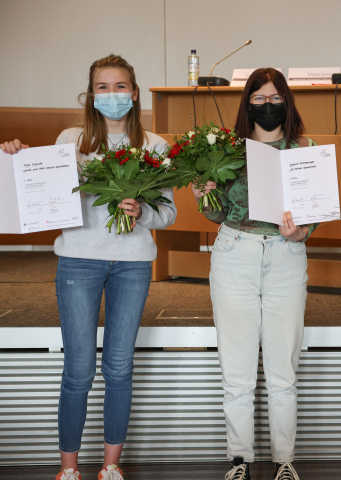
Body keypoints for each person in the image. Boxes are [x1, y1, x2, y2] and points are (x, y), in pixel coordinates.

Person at [1, 54, 176, 480]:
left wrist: (141, 213)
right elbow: (44, 191)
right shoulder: (72, 140)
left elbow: (167, 214)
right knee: (78, 367)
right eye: (103, 87)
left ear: (134, 93)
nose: (112, 95)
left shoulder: (154, 146)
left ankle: (110, 467)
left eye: (120, 87)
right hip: (78, 260)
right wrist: (16, 159)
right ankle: (69, 468)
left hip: (132, 264)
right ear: (90, 94)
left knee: (119, 366)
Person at [193, 68, 316, 480]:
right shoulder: (227, 150)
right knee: (237, 369)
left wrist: (300, 232)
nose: (267, 105)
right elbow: (216, 215)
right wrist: (203, 195)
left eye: (274, 97)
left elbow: (311, 216)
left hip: (286, 255)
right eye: (259, 99)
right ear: (247, 104)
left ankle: (285, 462)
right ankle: (239, 461)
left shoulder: (305, 148)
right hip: (234, 254)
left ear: (287, 100)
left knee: (284, 370)